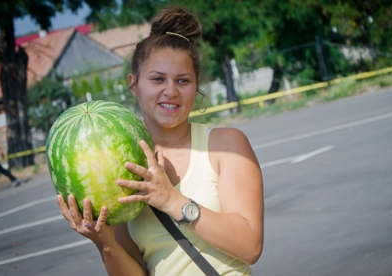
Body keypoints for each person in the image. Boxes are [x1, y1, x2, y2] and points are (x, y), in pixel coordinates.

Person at [57, 6, 263, 276]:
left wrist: (171, 200)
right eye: (157, 79)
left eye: (182, 80)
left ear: (196, 84)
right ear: (134, 84)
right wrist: (104, 243)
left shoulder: (226, 145)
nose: (171, 91)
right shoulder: (118, 164)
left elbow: (251, 247)